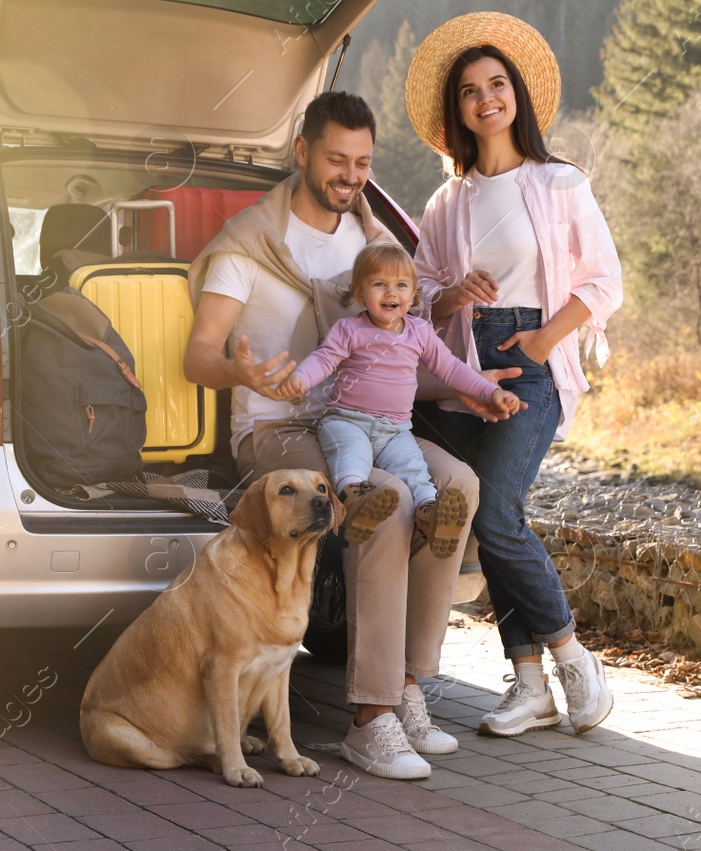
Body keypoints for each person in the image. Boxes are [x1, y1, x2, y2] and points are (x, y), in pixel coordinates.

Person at [183, 91, 519, 781]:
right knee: (390, 497)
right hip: (276, 430)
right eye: (337, 158)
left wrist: (464, 389)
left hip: (362, 421)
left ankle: (408, 686)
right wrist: (239, 369)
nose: (350, 175)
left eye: (362, 162)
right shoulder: (249, 243)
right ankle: (369, 717)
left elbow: (390, 363)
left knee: (456, 483)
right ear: (303, 152)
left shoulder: (372, 249)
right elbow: (199, 356)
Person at [404, 12, 625, 737]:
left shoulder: (559, 183)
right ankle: (527, 682)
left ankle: (572, 658)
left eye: (497, 84)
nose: (485, 98)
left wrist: (538, 344)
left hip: (530, 362)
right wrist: (451, 296)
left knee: (496, 513)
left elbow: (602, 282)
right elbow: (422, 296)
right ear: (457, 111)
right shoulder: (447, 201)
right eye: (470, 90)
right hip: (467, 366)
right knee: (486, 516)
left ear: (517, 97)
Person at [270, 240, 521, 558]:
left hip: (396, 430)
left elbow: (453, 369)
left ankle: (431, 515)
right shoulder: (349, 329)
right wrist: (300, 379)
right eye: (379, 285)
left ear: (413, 295)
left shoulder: (420, 332)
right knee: (351, 456)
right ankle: (357, 500)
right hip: (348, 420)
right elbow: (323, 359)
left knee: (415, 471)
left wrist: (491, 391)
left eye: (401, 285)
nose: (391, 293)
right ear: (360, 294)